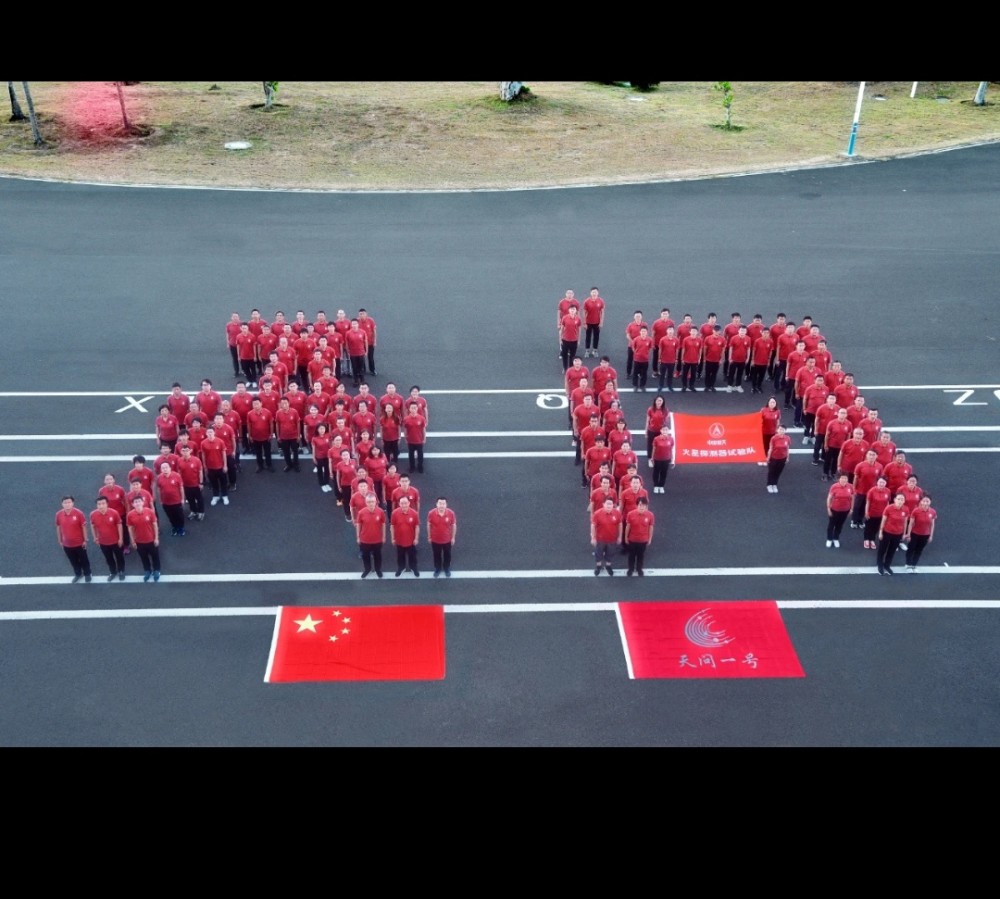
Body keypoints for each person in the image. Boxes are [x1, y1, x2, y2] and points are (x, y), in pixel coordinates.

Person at [57, 496, 92, 583]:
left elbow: (83, 527)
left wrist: (85, 540)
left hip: (79, 543)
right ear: (62, 504)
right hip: (67, 544)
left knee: (84, 559)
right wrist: (60, 540)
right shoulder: (58, 514)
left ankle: (87, 573)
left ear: (73, 503)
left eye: (69, 502)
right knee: (73, 560)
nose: (67, 504)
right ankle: (78, 574)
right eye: (65, 503)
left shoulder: (79, 513)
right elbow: (58, 527)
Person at [90, 495, 125, 581]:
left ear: (107, 504)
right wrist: (95, 537)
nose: (101, 506)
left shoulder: (114, 513)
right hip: (103, 542)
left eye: (103, 503)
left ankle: (121, 571)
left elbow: (119, 525)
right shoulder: (93, 514)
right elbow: (92, 525)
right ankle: (112, 572)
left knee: (119, 557)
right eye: (99, 504)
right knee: (108, 558)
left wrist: (120, 538)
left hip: (116, 541)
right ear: (97, 505)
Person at [127, 494, 161, 582]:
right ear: (133, 504)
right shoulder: (130, 515)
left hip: (151, 540)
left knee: (155, 556)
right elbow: (130, 528)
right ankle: (147, 571)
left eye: (139, 501)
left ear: (143, 502)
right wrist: (133, 541)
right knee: (143, 557)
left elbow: (155, 525)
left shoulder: (150, 512)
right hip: (139, 541)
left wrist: (156, 538)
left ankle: (156, 570)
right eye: (135, 502)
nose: (137, 503)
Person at [850, 449, 883, 529]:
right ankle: (854, 520)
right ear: (866, 455)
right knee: (857, 506)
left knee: (865, 506)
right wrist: (854, 488)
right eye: (870, 454)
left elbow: (880, 478)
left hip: (871, 491)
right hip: (860, 490)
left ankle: (860, 520)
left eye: (873, 455)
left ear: (876, 456)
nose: (871, 456)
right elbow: (856, 477)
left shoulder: (879, 466)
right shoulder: (860, 465)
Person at [877, 493, 908, 576]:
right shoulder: (889, 508)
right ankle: (880, 565)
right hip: (887, 532)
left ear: (904, 501)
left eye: (902, 499)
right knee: (882, 550)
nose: (900, 501)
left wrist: (904, 533)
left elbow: (905, 522)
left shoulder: (906, 509)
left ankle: (887, 565)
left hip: (898, 534)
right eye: (898, 499)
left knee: (892, 551)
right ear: (894, 500)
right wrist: (880, 532)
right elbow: (883, 521)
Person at [356, 493, 386, 578]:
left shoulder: (380, 512)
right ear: (366, 502)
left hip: (377, 540)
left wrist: (383, 536)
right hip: (365, 540)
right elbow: (358, 525)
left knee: (378, 555)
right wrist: (358, 537)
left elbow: (383, 524)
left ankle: (378, 570)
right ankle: (367, 569)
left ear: (376, 501)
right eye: (369, 502)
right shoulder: (361, 512)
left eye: (372, 501)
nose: (371, 503)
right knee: (365, 556)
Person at [904, 495, 937, 572]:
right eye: (924, 501)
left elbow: (932, 525)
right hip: (914, 534)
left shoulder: (933, 512)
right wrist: (908, 534)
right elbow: (911, 523)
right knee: (911, 549)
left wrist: (931, 536)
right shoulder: (916, 511)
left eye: (927, 501)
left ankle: (914, 565)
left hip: (925, 535)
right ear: (921, 502)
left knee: (919, 550)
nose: (925, 503)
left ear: (930, 502)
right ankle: (908, 564)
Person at [591, 496, 623, 576]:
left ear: (613, 505)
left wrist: (619, 537)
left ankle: (608, 565)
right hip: (600, 539)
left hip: (612, 539)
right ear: (603, 504)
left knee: (610, 553)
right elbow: (593, 526)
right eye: (607, 504)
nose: (609, 506)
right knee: (599, 553)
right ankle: (598, 566)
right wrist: (593, 538)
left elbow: (620, 525)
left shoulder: (617, 513)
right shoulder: (597, 514)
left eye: (611, 504)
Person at [391, 495, 421, 577]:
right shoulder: (394, 513)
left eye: (405, 503)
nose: (404, 505)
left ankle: (413, 568)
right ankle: (401, 567)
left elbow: (417, 526)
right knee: (400, 556)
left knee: (412, 556)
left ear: (409, 503)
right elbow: (392, 526)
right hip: (399, 540)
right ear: (399, 504)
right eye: (402, 503)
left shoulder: (414, 513)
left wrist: (416, 538)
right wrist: (393, 538)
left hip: (411, 540)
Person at [427, 497, 457, 577]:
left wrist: (453, 537)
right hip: (435, 540)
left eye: (443, 503)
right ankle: (438, 568)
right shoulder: (431, 513)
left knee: (447, 554)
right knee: (436, 554)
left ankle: (446, 568)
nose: (441, 505)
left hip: (447, 540)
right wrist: (429, 536)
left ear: (446, 504)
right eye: (440, 503)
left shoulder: (451, 513)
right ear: (436, 504)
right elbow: (429, 525)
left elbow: (454, 525)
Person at [624, 496, 655, 576]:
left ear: (646, 506)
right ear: (637, 505)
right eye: (640, 505)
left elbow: (651, 527)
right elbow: (628, 527)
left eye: (644, 505)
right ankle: (630, 569)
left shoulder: (650, 515)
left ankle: (639, 569)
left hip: (643, 540)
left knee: (640, 556)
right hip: (632, 539)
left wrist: (650, 538)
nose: (642, 507)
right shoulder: (630, 514)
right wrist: (626, 537)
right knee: (631, 555)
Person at [155, 461, 187, 536]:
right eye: (163, 468)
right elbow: (159, 489)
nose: (165, 469)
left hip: (176, 501)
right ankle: (174, 527)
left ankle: (181, 528)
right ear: (161, 469)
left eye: (166, 467)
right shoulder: (159, 478)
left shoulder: (176, 476)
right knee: (170, 516)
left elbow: (181, 488)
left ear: (170, 468)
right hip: (166, 502)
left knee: (179, 516)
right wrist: (161, 499)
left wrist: (182, 499)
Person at [201, 426, 230, 506]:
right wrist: (204, 466)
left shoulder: (220, 442)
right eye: (208, 432)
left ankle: (224, 496)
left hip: (220, 466)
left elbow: (224, 454)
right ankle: (215, 496)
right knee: (214, 483)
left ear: (214, 433)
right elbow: (203, 455)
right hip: (210, 467)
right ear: (206, 433)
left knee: (223, 482)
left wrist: (225, 465)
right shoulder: (203, 443)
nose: (210, 434)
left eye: (211, 432)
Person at [177, 444, 206, 521]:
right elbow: (179, 472)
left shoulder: (196, 460)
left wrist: (201, 483)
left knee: (199, 499)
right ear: (181, 452)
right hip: (186, 485)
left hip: (196, 485)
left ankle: (201, 512)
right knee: (190, 499)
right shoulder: (179, 460)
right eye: (183, 451)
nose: (185, 452)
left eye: (187, 450)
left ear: (190, 451)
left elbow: (200, 472)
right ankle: (193, 511)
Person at [863, 475, 892, 551]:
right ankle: (866, 539)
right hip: (871, 512)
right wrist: (866, 512)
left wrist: (887, 513)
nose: (881, 484)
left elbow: (888, 502)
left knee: (876, 528)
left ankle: (872, 539)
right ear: (877, 482)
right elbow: (868, 502)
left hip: (881, 514)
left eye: (883, 482)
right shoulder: (872, 491)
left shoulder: (888, 491)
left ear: (886, 483)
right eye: (880, 482)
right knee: (868, 527)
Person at [825, 473, 855, 548]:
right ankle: (829, 539)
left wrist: (851, 509)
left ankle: (836, 538)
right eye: (842, 478)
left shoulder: (850, 487)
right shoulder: (834, 487)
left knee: (839, 525)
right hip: (834, 509)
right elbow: (829, 498)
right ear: (839, 479)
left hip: (845, 510)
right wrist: (828, 508)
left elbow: (852, 498)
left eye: (845, 478)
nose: (844, 480)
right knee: (831, 525)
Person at [275, 397, 301, 472]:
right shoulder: (278, 413)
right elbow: (277, 424)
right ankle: (288, 464)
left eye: (285, 403)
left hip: (294, 436)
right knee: (286, 452)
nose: (284, 405)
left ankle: (296, 464)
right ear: (280, 404)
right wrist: (278, 436)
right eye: (282, 403)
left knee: (295, 451)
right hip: (283, 436)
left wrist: (298, 435)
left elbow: (298, 423)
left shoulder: (294, 412)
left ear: (289, 403)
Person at [402, 401, 428, 474]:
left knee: (420, 455)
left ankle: (420, 466)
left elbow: (423, 429)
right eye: (412, 408)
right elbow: (405, 429)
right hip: (410, 440)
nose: (413, 409)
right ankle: (412, 467)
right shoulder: (406, 419)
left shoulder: (422, 418)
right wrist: (405, 438)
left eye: (415, 408)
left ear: (417, 408)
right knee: (411, 455)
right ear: (409, 409)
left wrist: (424, 438)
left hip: (419, 440)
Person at [765, 424, 791, 493]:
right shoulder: (774, 438)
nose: (781, 431)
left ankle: (774, 484)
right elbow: (770, 448)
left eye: (783, 429)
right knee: (771, 472)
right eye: (779, 429)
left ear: (785, 431)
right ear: (777, 430)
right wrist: (768, 457)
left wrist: (788, 457)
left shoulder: (787, 438)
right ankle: (769, 485)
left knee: (778, 472)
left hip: (783, 458)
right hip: (774, 458)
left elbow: (787, 448)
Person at [725, 324, 751, 393]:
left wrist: (748, 358)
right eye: (741, 331)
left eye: (744, 331)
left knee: (740, 374)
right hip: (734, 360)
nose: (742, 332)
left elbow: (748, 349)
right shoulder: (733, 338)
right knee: (731, 373)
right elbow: (730, 348)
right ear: (738, 331)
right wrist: (730, 358)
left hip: (742, 360)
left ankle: (738, 385)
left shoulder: (748, 338)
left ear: (746, 332)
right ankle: (729, 386)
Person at [650, 425, 675, 494]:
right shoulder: (656, 439)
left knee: (664, 473)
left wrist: (672, 459)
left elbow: (671, 449)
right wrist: (652, 458)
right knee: (656, 472)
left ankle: (661, 486)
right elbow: (654, 449)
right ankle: (656, 486)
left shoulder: (671, 439)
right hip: (657, 458)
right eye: (663, 430)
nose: (665, 431)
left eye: (666, 430)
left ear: (668, 431)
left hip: (666, 459)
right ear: (661, 431)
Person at [344, 318, 368, 387]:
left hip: (361, 353)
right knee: (354, 367)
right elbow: (347, 343)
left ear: (358, 324)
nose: (354, 325)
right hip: (353, 353)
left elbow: (365, 342)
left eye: (355, 324)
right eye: (353, 324)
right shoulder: (348, 333)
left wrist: (366, 351)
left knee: (361, 367)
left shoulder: (362, 332)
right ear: (351, 325)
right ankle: (356, 380)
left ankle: (362, 380)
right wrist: (348, 351)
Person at [702, 325, 727, 392]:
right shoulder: (707, 338)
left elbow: (723, 350)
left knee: (714, 374)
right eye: (715, 331)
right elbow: (705, 349)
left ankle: (712, 385)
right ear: (713, 331)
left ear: (720, 331)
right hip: (708, 359)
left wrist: (721, 359)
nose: (716, 332)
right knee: (707, 373)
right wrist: (704, 358)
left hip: (717, 360)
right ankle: (707, 386)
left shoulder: (722, 339)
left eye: (718, 331)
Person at [657, 325, 682, 392]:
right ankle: (661, 385)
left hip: (672, 361)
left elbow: (677, 350)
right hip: (663, 360)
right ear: (667, 331)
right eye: (669, 330)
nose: (670, 331)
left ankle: (670, 385)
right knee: (662, 374)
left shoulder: (676, 340)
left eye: (671, 330)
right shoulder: (662, 339)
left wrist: (676, 359)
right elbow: (660, 349)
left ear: (673, 331)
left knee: (670, 374)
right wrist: (659, 358)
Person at [645, 395, 669, 464]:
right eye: (658, 400)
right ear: (655, 401)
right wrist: (646, 431)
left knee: (659, 445)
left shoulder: (665, 410)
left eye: (661, 401)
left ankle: (657, 458)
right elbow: (647, 421)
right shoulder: (651, 409)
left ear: (663, 402)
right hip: (652, 430)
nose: (659, 402)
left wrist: (666, 431)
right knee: (650, 445)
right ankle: (650, 458)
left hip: (661, 431)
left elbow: (666, 421)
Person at [582, 287, 605, 357]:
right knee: (588, 336)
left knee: (596, 337)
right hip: (588, 322)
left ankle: (595, 350)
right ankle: (587, 351)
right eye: (593, 292)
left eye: (595, 292)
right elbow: (584, 312)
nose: (594, 293)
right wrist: (584, 322)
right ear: (590, 293)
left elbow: (602, 312)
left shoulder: (601, 301)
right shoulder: (586, 301)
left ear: (598, 293)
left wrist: (601, 322)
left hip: (597, 323)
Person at [630, 325, 654, 392]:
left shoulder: (649, 340)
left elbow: (650, 348)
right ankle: (635, 385)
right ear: (640, 332)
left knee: (644, 373)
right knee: (635, 373)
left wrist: (646, 354)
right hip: (637, 359)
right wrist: (636, 353)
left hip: (645, 360)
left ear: (647, 332)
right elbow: (633, 347)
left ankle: (642, 385)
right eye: (642, 331)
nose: (643, 332)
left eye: (645, 331)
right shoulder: (636, 339)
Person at [624, 311, 648, 379]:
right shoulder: (630, 325)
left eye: (639, 316)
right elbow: (628, 335)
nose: (638, 317)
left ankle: (639, 373)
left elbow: (645, 334)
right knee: (630, 359)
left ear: (641, 317)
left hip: (641, 346)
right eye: (636, 316)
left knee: (640, 360)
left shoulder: (644, 324)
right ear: (634, 317)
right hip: (631, 346)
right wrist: (632, 342)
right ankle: (628, 373)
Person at [680, 326, 703, 392]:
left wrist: (699, 358)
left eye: (695, 331)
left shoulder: (700, 340)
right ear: (690, 332)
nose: (693, 332)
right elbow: (683, 349)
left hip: (695, 360)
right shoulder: (685, 339)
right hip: (686, 360)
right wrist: (682, 359)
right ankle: (684, 386)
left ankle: (691, 386)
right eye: (692, 331)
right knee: (684, 374)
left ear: (697, 332)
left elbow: (700, 350)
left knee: (693, 374)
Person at [559, 303, 582, 371]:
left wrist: (579, 340)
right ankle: (565, 368)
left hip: (574, 340)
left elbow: (579, 330)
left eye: (574, 309)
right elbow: (561, 329)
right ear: (569, 310)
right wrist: (560, 340)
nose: (572, 311)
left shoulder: (578, 319)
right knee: (564, 355)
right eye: (571, 309)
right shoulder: (565, 318)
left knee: (572, 356)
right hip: (565, 340)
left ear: (576, 311)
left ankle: (571, 369)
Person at [357, 308, 378, 375]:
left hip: (370, 343)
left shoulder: (371, 320)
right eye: (360, 314)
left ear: (366, 314)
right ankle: (363, 370)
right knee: (361, 357)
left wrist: (374, 341)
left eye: (363, 313)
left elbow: (374, 332)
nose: (362, 315)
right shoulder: (357, 321)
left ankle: (372, 370)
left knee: (370, 357)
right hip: (361, 344)